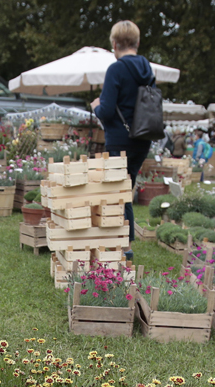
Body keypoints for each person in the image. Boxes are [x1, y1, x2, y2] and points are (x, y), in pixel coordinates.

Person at [90, 19, 156, 252]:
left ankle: (124, 247)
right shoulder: (148, 70)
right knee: (125, 189)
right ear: (137, 42)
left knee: (119, 193)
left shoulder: (116, 69)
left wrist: (96, 106)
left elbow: (107, 110)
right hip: (143, 138)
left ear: (114, 43)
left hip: (120, 139)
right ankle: (122, 244)